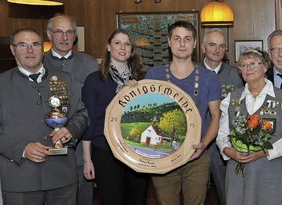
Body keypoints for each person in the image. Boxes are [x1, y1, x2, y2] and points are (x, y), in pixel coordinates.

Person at [0, 28, 88, 205]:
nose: (30, 50)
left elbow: (81, 114)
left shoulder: (66, 79)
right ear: (13, 50)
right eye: (23, 45)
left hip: (62, 176)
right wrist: (23, 148)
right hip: (20, 178)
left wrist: (71, 130)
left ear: (42, 49)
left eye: (35, 44)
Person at [145, 21, 222, 205]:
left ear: (195, 43)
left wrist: (203, 144)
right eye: (177, 38)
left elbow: (217, 116)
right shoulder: (153, 75)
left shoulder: (208, 77)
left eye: (187, 39)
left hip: (196, 156)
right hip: (162, 156)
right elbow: (144, 112)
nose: (182, 44)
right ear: (169, 42)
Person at [216, 48, 282, 205]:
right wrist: (229, 151)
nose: (248, 68)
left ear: (265, 67)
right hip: (238, 172)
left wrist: (264, 152)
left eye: (253, 63)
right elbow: (222, 135)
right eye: (243, 65)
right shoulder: (231, 99)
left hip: (270, 173)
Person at [81, 29, 148, 205]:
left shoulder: (142, 81)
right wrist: (87, 159)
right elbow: (89, 122)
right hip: (104, 151)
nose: (122, 47)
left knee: (137, 200)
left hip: (137, 150)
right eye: (117, 43)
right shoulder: (94, 80)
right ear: (108, 47)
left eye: (127, 43)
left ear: (132, 50)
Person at [43, 14, 98, 205]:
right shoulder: (38, 63)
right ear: (50, 34)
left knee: (84, 197)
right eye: (59, 32)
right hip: (48, 146)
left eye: (69, 32)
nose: (64, 37)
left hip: (83, 147)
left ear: (75, 36)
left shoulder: (90, 63)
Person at [200, 28, 244, 205]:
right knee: (196, 197)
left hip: (225, 146)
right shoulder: (192, 73)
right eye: (212, 45)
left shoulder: (237, 74)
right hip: (198, 145)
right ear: (203, 47)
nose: (217, 50)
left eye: (221, 46)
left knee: (228, 197)